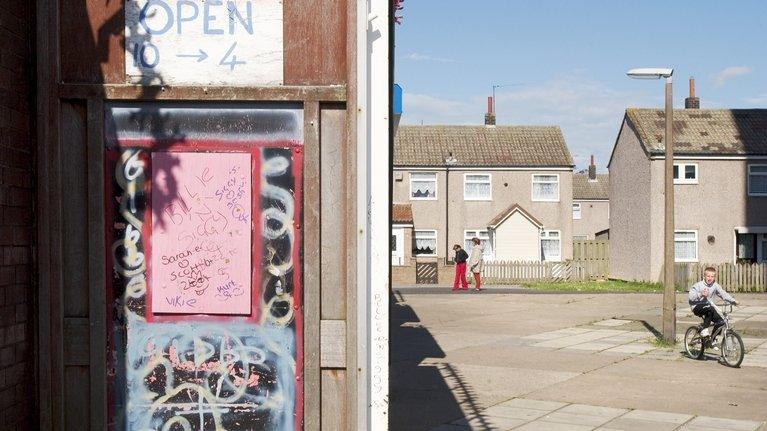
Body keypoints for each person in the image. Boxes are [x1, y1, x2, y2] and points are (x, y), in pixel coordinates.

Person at [689, 267, 738, 338]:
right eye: (708, 276)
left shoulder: (715, 285)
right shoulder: (698, 285)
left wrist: (733, 300)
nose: (710, 278)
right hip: (697, 306)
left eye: (712, 276)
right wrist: (700, 294)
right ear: (704, 277)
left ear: (714, 278)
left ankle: (713, 340)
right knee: (710, 308)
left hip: (708, 307)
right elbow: (691, 298)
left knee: (721, 322)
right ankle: (704, 329)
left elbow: (723, 294)